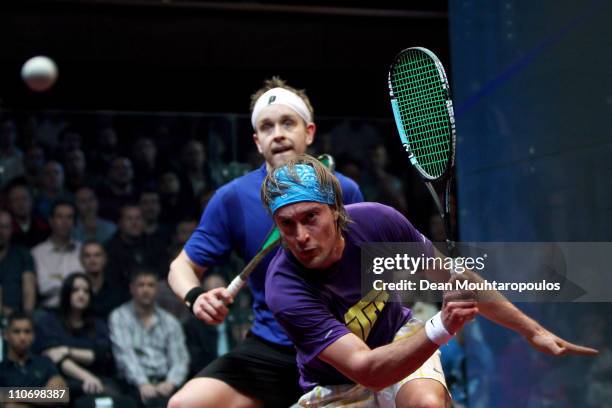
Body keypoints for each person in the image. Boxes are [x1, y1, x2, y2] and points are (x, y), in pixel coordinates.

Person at [260, 154, 598, 407]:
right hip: (337, 383)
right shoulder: (284, 288)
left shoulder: (379, 224)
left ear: (334, 209)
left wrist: (532, 330)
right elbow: (367, 370)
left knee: (427, 405)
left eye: (311, 217)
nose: (301, 235)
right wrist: (442, 324)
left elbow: (459, 279)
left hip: (397, 334)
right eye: (287, 224)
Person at [167, 77, 364, 408]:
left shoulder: (345, 191)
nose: (279, 133)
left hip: (338, 343)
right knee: (185, 405)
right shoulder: (232, 198)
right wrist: (195, 297)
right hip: (270, 348)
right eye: (268, 127)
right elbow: (181, 266)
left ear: (310, 132)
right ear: (258, 141)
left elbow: (371, 267)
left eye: (288, 123)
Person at [109, 268, 189, 407]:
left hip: (166, 384)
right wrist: (143, 383)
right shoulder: (119, 316)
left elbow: (180, 359)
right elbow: (125, 356)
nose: (146, 290)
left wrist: (170, 383)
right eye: (141, 285)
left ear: (157, 289)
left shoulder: (170, 321)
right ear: (132, 288)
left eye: (150, 285)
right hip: (131, 385)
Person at [33, 272, 118, 402]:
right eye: (75, 290)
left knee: (118, 397)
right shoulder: (50, 322)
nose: (81, 294)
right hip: (63, 382)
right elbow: (56, 358)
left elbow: (103, 355)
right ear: (66, 294)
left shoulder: (97, 324)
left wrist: (67, 351)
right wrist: (86, 376)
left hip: (98, 378)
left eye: (86, 291)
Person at [0, 312, 67, 396]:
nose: (22, 337)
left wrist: (11, 395)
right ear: (6, 335)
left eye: (27, 332)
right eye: (16, 332)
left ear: (33, 335)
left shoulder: (45, 363)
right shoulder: (1, 370)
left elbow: (60, 394)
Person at [32, 200, 83, 309]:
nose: (65, 222)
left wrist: (57, 281)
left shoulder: (83, 250)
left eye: (69, 217)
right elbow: (43, 287)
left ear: (74, 222)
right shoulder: (37, 253)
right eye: (60, 217)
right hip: (50, 310)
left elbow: (87, 284)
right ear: (51, 221)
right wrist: (74, 285)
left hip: (80, 308)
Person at [0, 209, 36, 315]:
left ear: (11, 230)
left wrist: (26, 318)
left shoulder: (22, 254)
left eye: (5, 227)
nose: (0, 231)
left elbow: (29, 290)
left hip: (14, 317)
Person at [80, 241, 123, 321]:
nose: (92, 260)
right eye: (87, 256)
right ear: (81, 261)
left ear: (105, 259)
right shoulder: (75, 290)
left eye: (97, 255)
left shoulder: (117, 290)